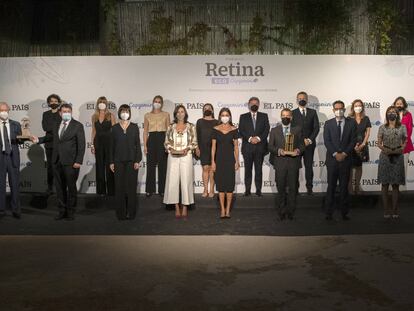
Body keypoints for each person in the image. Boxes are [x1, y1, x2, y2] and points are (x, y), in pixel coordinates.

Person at [33, 103, 85, 221]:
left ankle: (70, 211)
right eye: (64, 111)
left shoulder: (77, 126)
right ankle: (62, 211)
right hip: (56, 160)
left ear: (71, 112)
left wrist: (78, 160)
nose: (66, 113)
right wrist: (38, 140)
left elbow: (81, 145)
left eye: (68, 111)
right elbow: (50, 137)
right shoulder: (56, 124)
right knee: (59, 188)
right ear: (60, 113)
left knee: (71, 188)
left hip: (71, 162)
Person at [268, 108, 305, 220]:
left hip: (293, 163)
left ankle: (291, 211)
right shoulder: (274, 130)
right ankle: (282, 211)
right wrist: (279, 151)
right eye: (283, 115)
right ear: (281, 116)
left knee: (293, 188)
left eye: (288, 115)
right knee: (281, 188)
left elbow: (302, 145)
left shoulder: (297, 129)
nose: (285, 117)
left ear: (291, 117)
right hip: (280, 163)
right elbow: (270, 147)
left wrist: (297, 151)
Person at [323, 100, 357, 221]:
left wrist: (344, 153)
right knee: (331, 187)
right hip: (332, 161)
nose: (339, 110)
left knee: (344, 187)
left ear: (344, 109)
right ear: (333, 110)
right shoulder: (328, 123)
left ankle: (344, 213)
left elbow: (353, 141)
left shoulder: (351, 123)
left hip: (346, 160)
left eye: (341, 108)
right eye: (336, 109)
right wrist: (335, 154)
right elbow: (327, 141)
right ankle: (328, 212)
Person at [163, 104, 197, 219]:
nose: (180, 113)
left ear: (185, 113)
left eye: (182, 111)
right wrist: (170, 149)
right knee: (173, 181)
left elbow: (194, 142)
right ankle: (176, 206)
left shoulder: (191, 126)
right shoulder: (170, 127)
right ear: (175, 114)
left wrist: (187, 149)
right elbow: (166, 141)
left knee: (186, 180)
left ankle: (185, 206)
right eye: (178, 112)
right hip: (172, 156)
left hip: (186, 155)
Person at [109, 104, 142, 220]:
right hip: (118, 161)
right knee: (119, 188)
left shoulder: (134, 127)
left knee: (131, 188)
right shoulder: (114, 128)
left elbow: (138, 145)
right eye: (122, 111)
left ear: (129, 113)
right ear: (119, 113)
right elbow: (111, 146)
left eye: (127, 111)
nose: (124, 113)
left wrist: (138, 160)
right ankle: (121, 213)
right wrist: (111, 162)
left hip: (131, 161)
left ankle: (131, 213)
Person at [377, 106, 407, 219]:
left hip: (398, 157)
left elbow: (405, 141)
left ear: (397, 114)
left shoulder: (402, 127)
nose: (391, 113)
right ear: (386, 114)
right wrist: (386, 150)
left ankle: (395, 209)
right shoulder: (382, 127)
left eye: (393, 112)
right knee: (384, 185)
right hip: (385, 157)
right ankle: (386, 210)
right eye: (389, 112)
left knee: (395, 185)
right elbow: (379, 143)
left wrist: (400, 149)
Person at [211, 108, 240, 218]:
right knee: (221, 187)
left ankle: (228, 210)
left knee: (229, 186)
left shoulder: (234, 130)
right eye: (222, 115)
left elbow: (236, 147)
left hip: (230, 160)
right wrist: (212, 162)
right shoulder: (215, 129)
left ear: (230, 116)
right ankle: (222, 210)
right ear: (219, 117)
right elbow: (213, 147)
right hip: (219, 160)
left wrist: (237, 161)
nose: (225, 116)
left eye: (227, 114)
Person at [238, 97, 270, 196]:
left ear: (259, 104)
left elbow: (266, 130)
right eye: (252, 103)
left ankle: (258, 190)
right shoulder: (243, 116)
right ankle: (247, 190)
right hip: (247, 148)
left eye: (256, 103)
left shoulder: (264, 116)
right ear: (249, 105)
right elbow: (241, 130)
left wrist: (258, 138)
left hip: (260, 148)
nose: (254, 105)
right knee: (248, 170)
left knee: (258, 170)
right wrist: (250, 139)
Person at [291, 91, 319, 195]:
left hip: (309, 145)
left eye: (304, 98)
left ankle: (309, 188)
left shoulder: (313, 112)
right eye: (300, 98)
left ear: (307, 100)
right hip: (297, 145)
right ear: (296, 100)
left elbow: (316, 128)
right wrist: (300, 140)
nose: (302, 99)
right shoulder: (292, 113)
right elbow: (291, 129)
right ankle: (295, 189)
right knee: (295, 168)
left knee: (309, 167)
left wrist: (309, 140)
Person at [143, 95, 170, 197]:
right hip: (152, 139)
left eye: (159, 101)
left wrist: (168, 144)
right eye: (155, 101)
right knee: (150, 165)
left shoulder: (166, 115)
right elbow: (145, 131)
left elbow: (168, 131)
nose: (157, 103)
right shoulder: (147, 115)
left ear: (161, 104)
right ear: (153, 102)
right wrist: (145, 145)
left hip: (162, 139)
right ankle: (149, 189)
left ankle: (162, 190)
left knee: (163, 166)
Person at [0, 102, 22, 219]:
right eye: (1, 110)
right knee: (1, 184)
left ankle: (16, 209)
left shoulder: (16, 124)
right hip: (1, 157)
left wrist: (26, 135)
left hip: (13, 157)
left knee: (14, 184)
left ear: (9, 111)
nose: (4, 112)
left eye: (5, 110)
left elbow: (21, 140)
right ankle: (1, 209)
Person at [91, 96, 115, 196]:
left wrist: (115, 144)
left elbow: (114, 131)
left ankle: (111, 191)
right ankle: (101, 191)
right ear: (97, 103)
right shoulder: (94, 116)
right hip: (98, 144)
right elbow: (93, 131)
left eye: (103, 102)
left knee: (110, 167)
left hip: (109, 144)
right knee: (99, 167)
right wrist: (92, 145)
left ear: (106, 104)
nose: (102, 103)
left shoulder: (110, 115)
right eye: (100, 102)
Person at [195, 103, 219, 197]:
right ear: (203, 111)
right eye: (205, 108)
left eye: (209, 108)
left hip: (214, 148)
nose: (207, 109)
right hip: (203, 148)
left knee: (212, 169)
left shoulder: (217, 122)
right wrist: (197, 147)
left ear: (212, 110)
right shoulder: (200, 121)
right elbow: (197, 135)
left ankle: (212, 190)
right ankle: (205, 189)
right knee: (205, 168)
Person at [348, 99, 371, 194]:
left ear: (362, 107)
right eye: (356, 105)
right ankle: (349, 188)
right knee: (349, 167)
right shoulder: (348, 118)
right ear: (353, 107)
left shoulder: (366, 118)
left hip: (362, 145)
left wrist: (363, 144)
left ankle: (357, 187)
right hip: (350, 146)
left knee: (359, 166)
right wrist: (352, 145)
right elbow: (347, 133)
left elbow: (368, 133)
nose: (358, 107)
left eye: (359, 105)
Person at [41, 94, 62, 194]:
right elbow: (45, 127)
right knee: (50, 167)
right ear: (49, 103)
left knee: (59, 166)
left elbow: (63, 127)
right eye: (51, 101)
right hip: (49, 143)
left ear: (59, 102)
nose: (53, 103)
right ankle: (50, 188)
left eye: (55, 101)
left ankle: (60, 187)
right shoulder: (45, 114)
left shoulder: (62, 113)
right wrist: (55, 127)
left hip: (60, 144)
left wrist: (53, 127)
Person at [393, 96, 413, 178]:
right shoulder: (390, 114)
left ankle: (402, 189)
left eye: (401, 104)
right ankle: (392, 188)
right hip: (392, 145)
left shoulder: (408, 115)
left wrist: (403, 142)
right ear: (394, 105)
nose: (399, 105)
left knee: (403, 167)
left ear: (404, 105)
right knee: (393, 168)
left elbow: (410, 129)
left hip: (405, 145)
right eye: (397, 103)